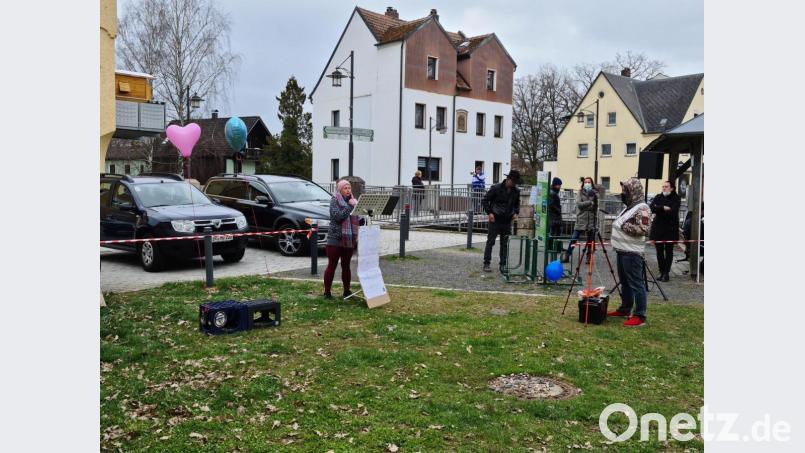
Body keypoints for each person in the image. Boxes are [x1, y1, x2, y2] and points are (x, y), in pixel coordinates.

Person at [608, 178, 652, 327]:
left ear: (633, 191)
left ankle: (640, 315)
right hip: (622, 251)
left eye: (625, 190)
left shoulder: (643, 208)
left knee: (636, 284)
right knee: (625, 283)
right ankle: (625, 309)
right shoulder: (629, 207)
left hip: (632, 253)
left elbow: (643, 229)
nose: (623, 193)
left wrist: (623, 226)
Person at [324, 179, 360, 299]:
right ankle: (327, 292)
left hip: (349, 239)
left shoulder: (353, 201)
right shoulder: (334, 200)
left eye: (349, 188)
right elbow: (338, 217)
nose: (348, 190)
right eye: (345, 188)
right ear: (340, 190)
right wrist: (350, 206)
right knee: (332, 265)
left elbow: (357, 218)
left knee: (346, 265)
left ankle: (347, 291)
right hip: (335, 238)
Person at [481, 170, 521, 272]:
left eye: (515, 182)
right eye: (513, 182)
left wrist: (516, 212)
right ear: (508, 179)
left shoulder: (516, 191)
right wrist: (489, 213)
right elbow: (485, 200)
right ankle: (486, 263)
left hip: (507, 220)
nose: (513, 184)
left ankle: (503, 264)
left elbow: (517, 204)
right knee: (490, 242)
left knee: (504, 243)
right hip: (495, 219)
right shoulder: (496, 188)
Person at [649, 181, 681, 282]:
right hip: (658, 229)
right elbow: (651, 208)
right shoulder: (658, 197)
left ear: (672, 188)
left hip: (670, 229)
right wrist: (662, 208)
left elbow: (673, 210)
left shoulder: (676, 198)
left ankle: (666, 273)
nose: (664, 188)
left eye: (666, 187)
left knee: (669, 251)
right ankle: (661, 271)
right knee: (659, 252)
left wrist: (659, 209)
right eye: (663, 187)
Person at [562, 177, 597, 263]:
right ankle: (567, 255)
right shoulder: (580, 193)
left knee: (590, 240)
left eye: (589, 182)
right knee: (574, 238)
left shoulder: (594, 194)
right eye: (586, 182)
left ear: (592, 184)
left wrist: (589, 205)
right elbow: (579, 205)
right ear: (583, 183)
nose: (587, 184)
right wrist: (589, 203)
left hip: (591, 220)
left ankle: (589, 257)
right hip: (581, 219)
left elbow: (595, 207)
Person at [548, 177, 563, 257]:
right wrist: (558, 211)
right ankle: (554, 248)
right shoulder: (553, 193)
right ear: (555, 185)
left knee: (554, 232)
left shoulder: (552, 192)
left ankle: (553, 247)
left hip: (553, 216)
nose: (560, 186)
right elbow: (552, 205)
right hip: (555, 216)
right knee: (555, 233)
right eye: (559, 185)